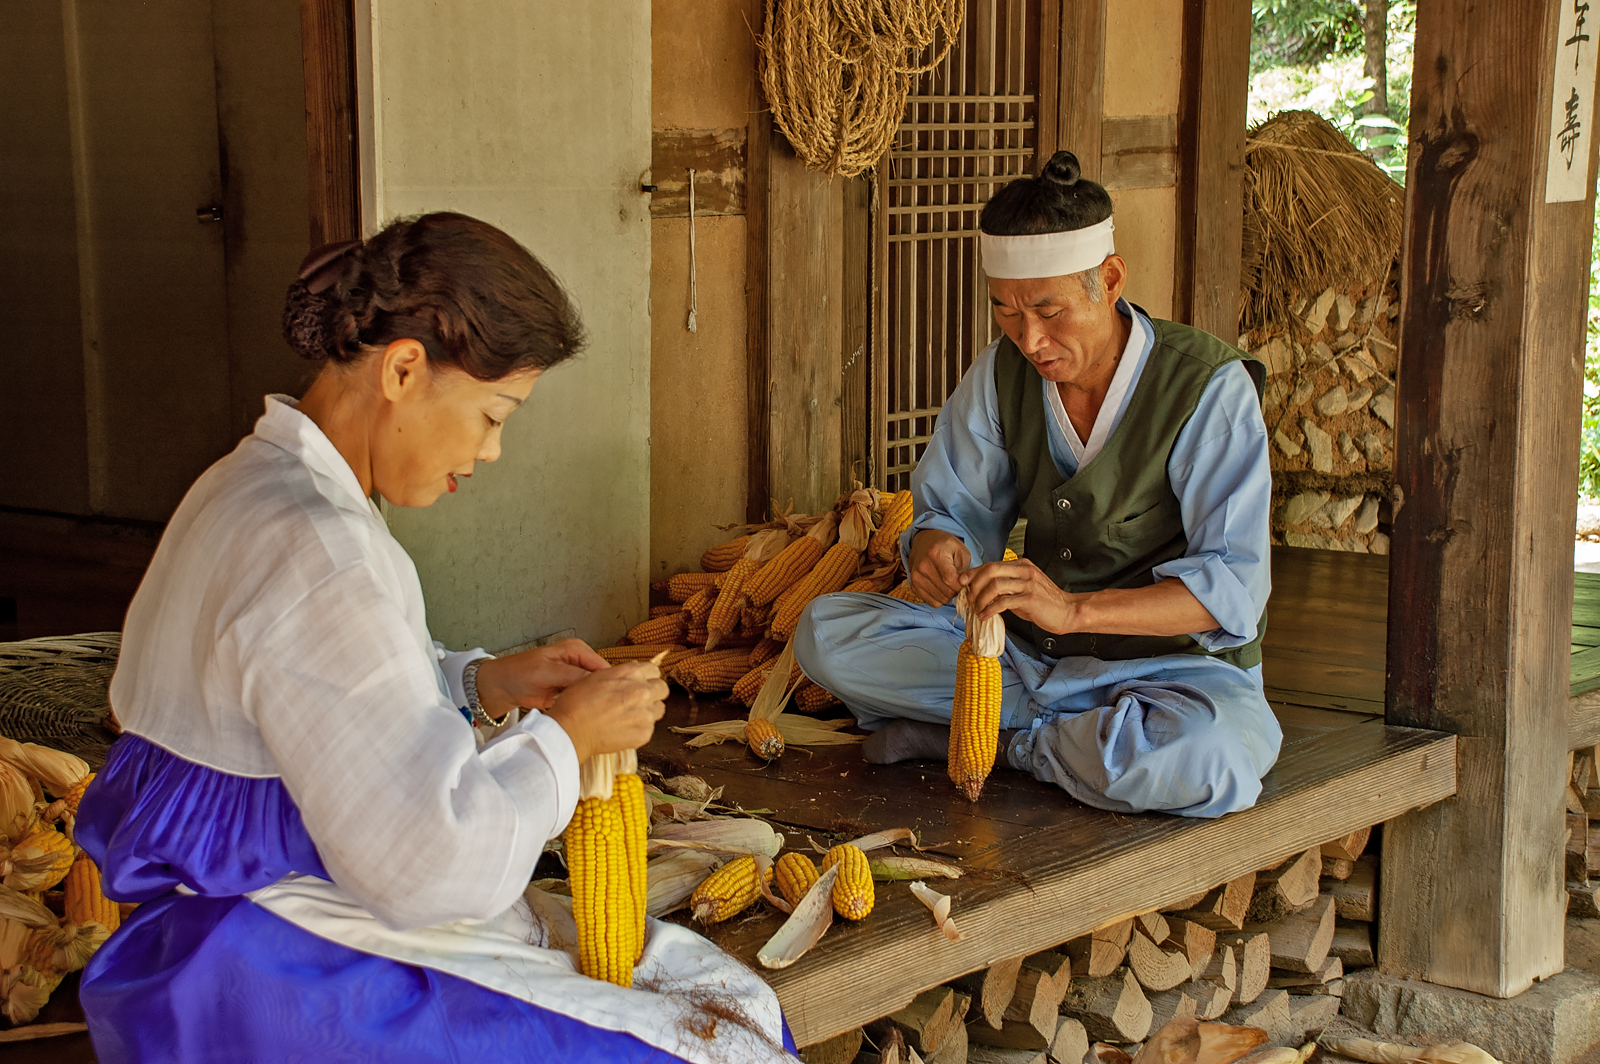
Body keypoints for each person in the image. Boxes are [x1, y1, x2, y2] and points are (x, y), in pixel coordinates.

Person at [76, 213, 797, 1063]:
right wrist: (566, 741)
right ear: (404, 369)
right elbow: (431, 867)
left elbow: (316, 702)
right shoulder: (323, 550)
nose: (493, 451)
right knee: (713, 1041)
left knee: (688, 991)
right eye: (494, 415)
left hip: (190, 948)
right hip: (269, 969)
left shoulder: (249, 482)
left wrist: (482, 685)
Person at [793, 151, 1282, 819]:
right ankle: (1071, 738)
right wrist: (938, 548)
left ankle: (1011, 745)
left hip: (1176, 675)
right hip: (1031, 661)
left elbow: (1233, 588)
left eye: (1050, 311)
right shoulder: (1002, 375)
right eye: (1006, 312)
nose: (1030, 339)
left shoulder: (1206, 389)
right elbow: (951, 509)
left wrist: (1074, 611)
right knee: (825, 635)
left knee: (1208, 758)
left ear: (1109, 280)